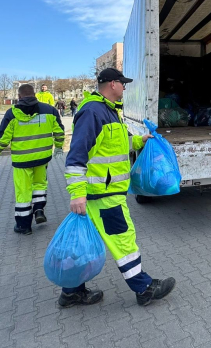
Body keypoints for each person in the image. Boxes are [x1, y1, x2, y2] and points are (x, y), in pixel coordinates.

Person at [60, 68, 175, 308]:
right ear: (113, 84)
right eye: (123, 83)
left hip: (101, 194)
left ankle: (71, 293)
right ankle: (144, 288)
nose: (125, 87)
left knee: (86, 243)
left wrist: (139, 141)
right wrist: (77, 193)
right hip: (104, 196)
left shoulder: (109, 111)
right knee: (124, 241)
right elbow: (76, 156)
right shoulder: (93, 112)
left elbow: (114, 147)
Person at [0, 84, 65, 235]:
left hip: (22, 161)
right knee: (40, 184)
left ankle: (24, 226)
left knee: (23, 192)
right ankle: (38, 210)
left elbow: (3, 137)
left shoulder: (12, 113)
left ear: (19, 96)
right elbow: (59, 130)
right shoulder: (49, 110)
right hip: (42, 158)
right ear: (35, 94)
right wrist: (58, 147)